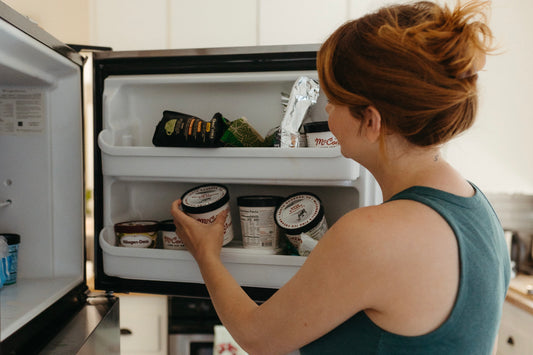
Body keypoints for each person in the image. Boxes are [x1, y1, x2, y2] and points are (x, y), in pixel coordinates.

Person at [171, 1, 511, 354]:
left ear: (371, 121)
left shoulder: (371, 235)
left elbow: (258, 338)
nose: (328, 111)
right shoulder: (477, 207)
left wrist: (206, 254)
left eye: (333, 100)